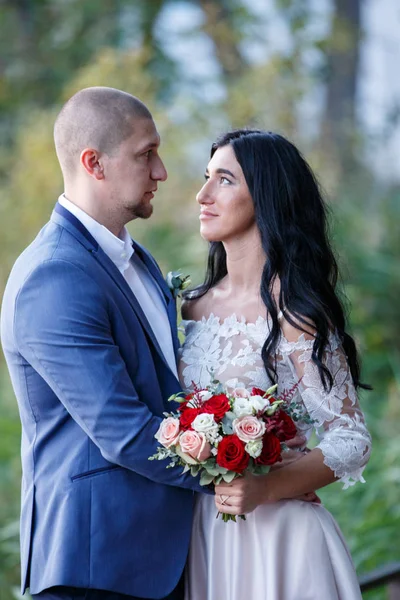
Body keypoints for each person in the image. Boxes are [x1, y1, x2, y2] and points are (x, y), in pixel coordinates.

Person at [0, 86, 217, 600]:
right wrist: (236, 471)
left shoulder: (138, 259)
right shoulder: (54, 276)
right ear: (93, 162)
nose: (162, 172)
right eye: (146, 155)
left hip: (159, 559)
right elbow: (120, 428)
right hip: (92, 566)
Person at [179, 129, 372, 600]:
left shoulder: (296, 314)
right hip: (199, 534)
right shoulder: (187, 308)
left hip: (280, 538)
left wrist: (272, 487)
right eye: (206, 178)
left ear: (265, 195)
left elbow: (351, 439)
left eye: (224, 180)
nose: (202, 195)